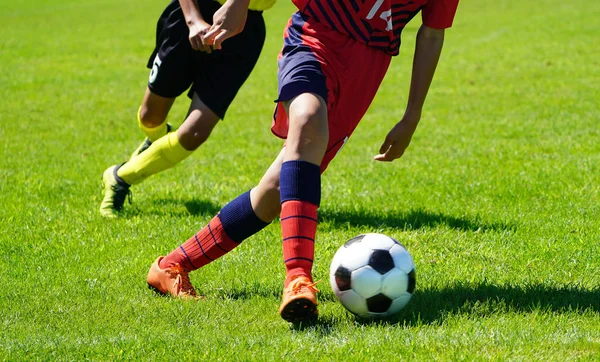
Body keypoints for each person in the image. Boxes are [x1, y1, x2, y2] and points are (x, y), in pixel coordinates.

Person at [146, 0, 460, 322]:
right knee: (308, 118)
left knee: (273, 193)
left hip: (364, 72)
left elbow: (432, 34)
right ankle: (297, 279)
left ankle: (173, 265)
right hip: (313, 39)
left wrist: (412, 115)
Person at [99, 0, 275, 217]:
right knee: (150, 117)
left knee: (195, 132)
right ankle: (157, 141)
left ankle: (119, 177)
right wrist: (193, 21)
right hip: (194, 14)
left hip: (245, 30)